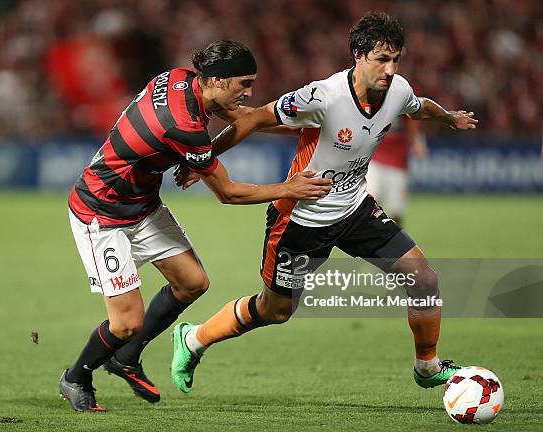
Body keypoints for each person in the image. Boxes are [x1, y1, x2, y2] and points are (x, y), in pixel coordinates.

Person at [170, 11, 478, 395]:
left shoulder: (397, 89)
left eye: (396, 59)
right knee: (275, 311)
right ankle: (193, 339)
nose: (390, 68)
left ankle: (428, 367)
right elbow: (252, 120)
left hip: (354, 209)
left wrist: (449, 118)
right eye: (382, 59)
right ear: (359, 56)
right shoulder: (323, 96)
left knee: (424, 279)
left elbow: (419, 105)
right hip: (301, 220)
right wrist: (202, 162)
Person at [59, 40, 331, 412]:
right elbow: (229, 193)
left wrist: (307, 128)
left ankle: (125, 358)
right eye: (244, 83)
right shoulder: (182, 125)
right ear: (217, 80)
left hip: (140, 205)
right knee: (125, 323)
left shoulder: (182, 79)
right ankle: (76, 377)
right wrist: (289, 188)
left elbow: (242, 116)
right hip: (100, 213)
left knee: (192, 283)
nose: (248, 91)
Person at [366, 115, 427, 227]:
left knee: (396, 211)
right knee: (368, 204)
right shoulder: (371, 98)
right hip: (373, 158)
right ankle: (368, 241)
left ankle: (395, 242)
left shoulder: (408, 98)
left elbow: (413, 120)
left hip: (397, 162)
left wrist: (417, 141)